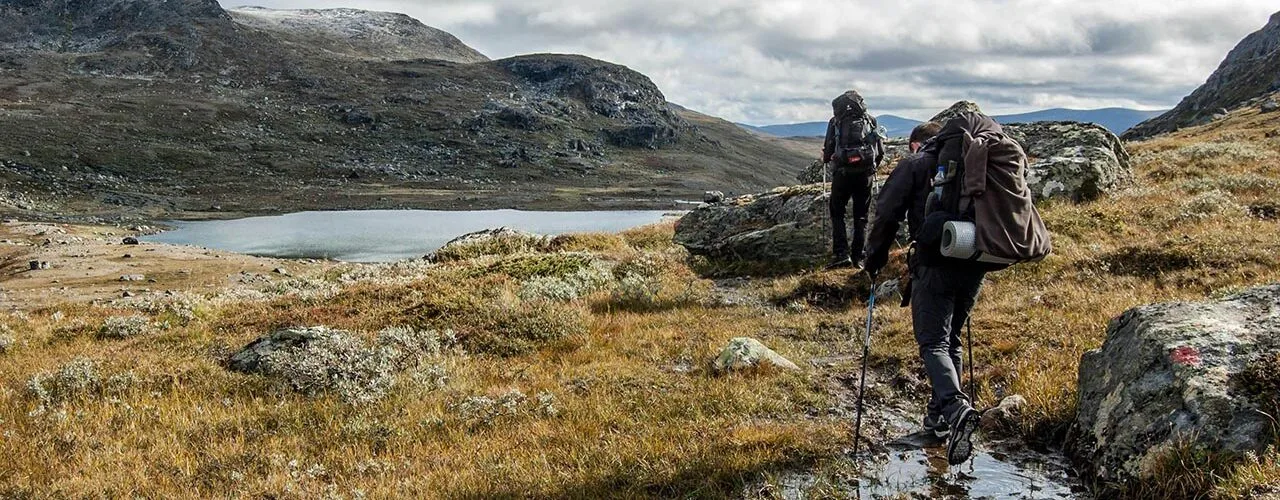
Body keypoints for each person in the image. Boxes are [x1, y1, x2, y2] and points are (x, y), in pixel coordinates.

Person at [862, 118, 985, 465]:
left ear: (918, 144)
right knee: (951, 340)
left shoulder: (916, 163)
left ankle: (955, 409)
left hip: (936, 261)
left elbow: (886, 213)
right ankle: (939, 422)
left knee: (933, 342)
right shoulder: (978, 161)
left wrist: (874, 260)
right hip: (976, 258)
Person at [821, 90, 884, 269]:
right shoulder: (870, 121)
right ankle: (859, 257)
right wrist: (872, 168)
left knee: (837, 212)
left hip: (842, 174)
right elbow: (880, 151)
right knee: (861, 216)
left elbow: (828, 152)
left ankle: (841, 254)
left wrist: (827, 158)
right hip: (865, 175)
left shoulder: (835, 122)